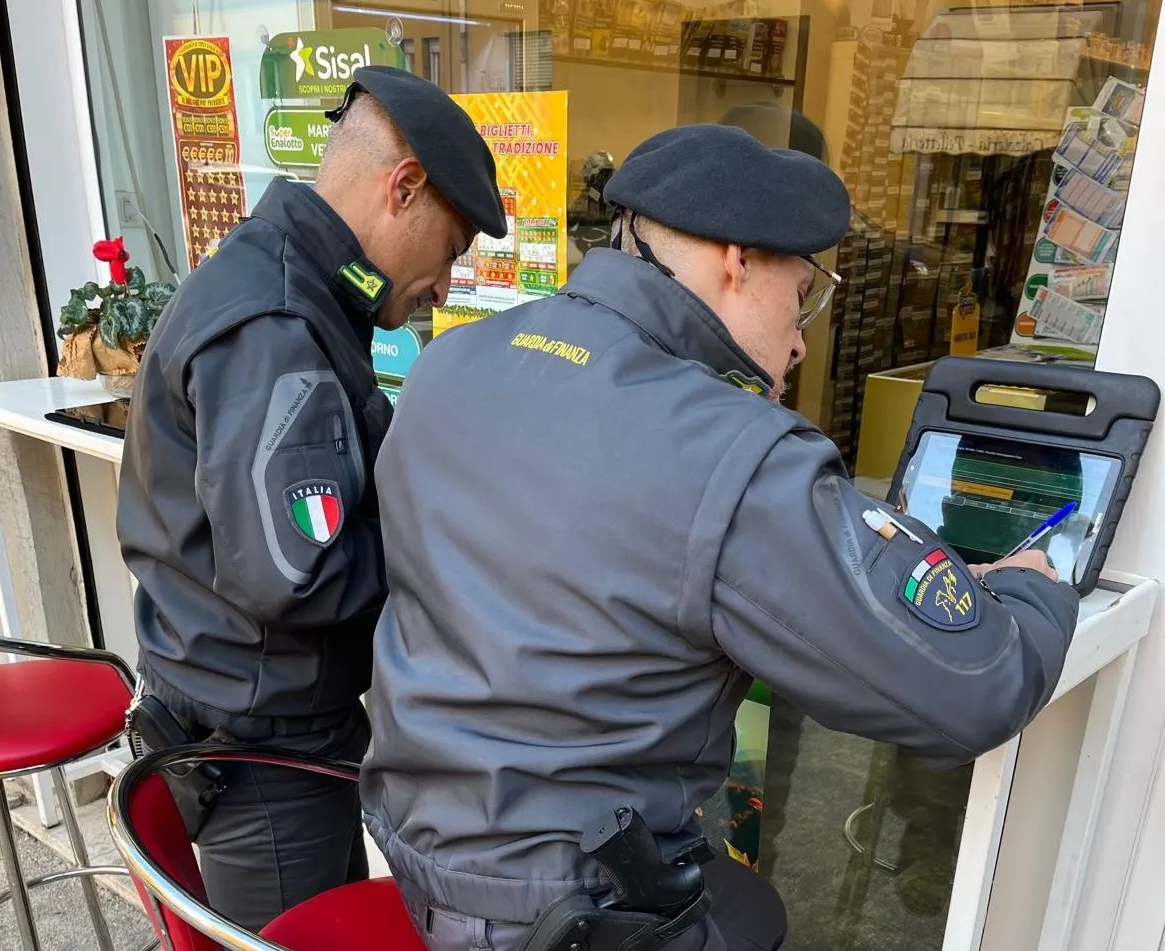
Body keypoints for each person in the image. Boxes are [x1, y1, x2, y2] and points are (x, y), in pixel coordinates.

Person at [359, 123, 1080, 951]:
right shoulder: (731, 453)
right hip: (575, 913)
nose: (804, 335)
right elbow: (974, 682)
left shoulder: (451, 363)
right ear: (737, 262)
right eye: (802, 292)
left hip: (419, 859)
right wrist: (1034, 584)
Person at [116, 66, 505, 931]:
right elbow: (299, 572)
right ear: (403, 188)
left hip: (240, 711)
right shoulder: (279, 323)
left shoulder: (285, 279)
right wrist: (452, 552)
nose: (445, 285)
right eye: (450, 250)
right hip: (265, 757)